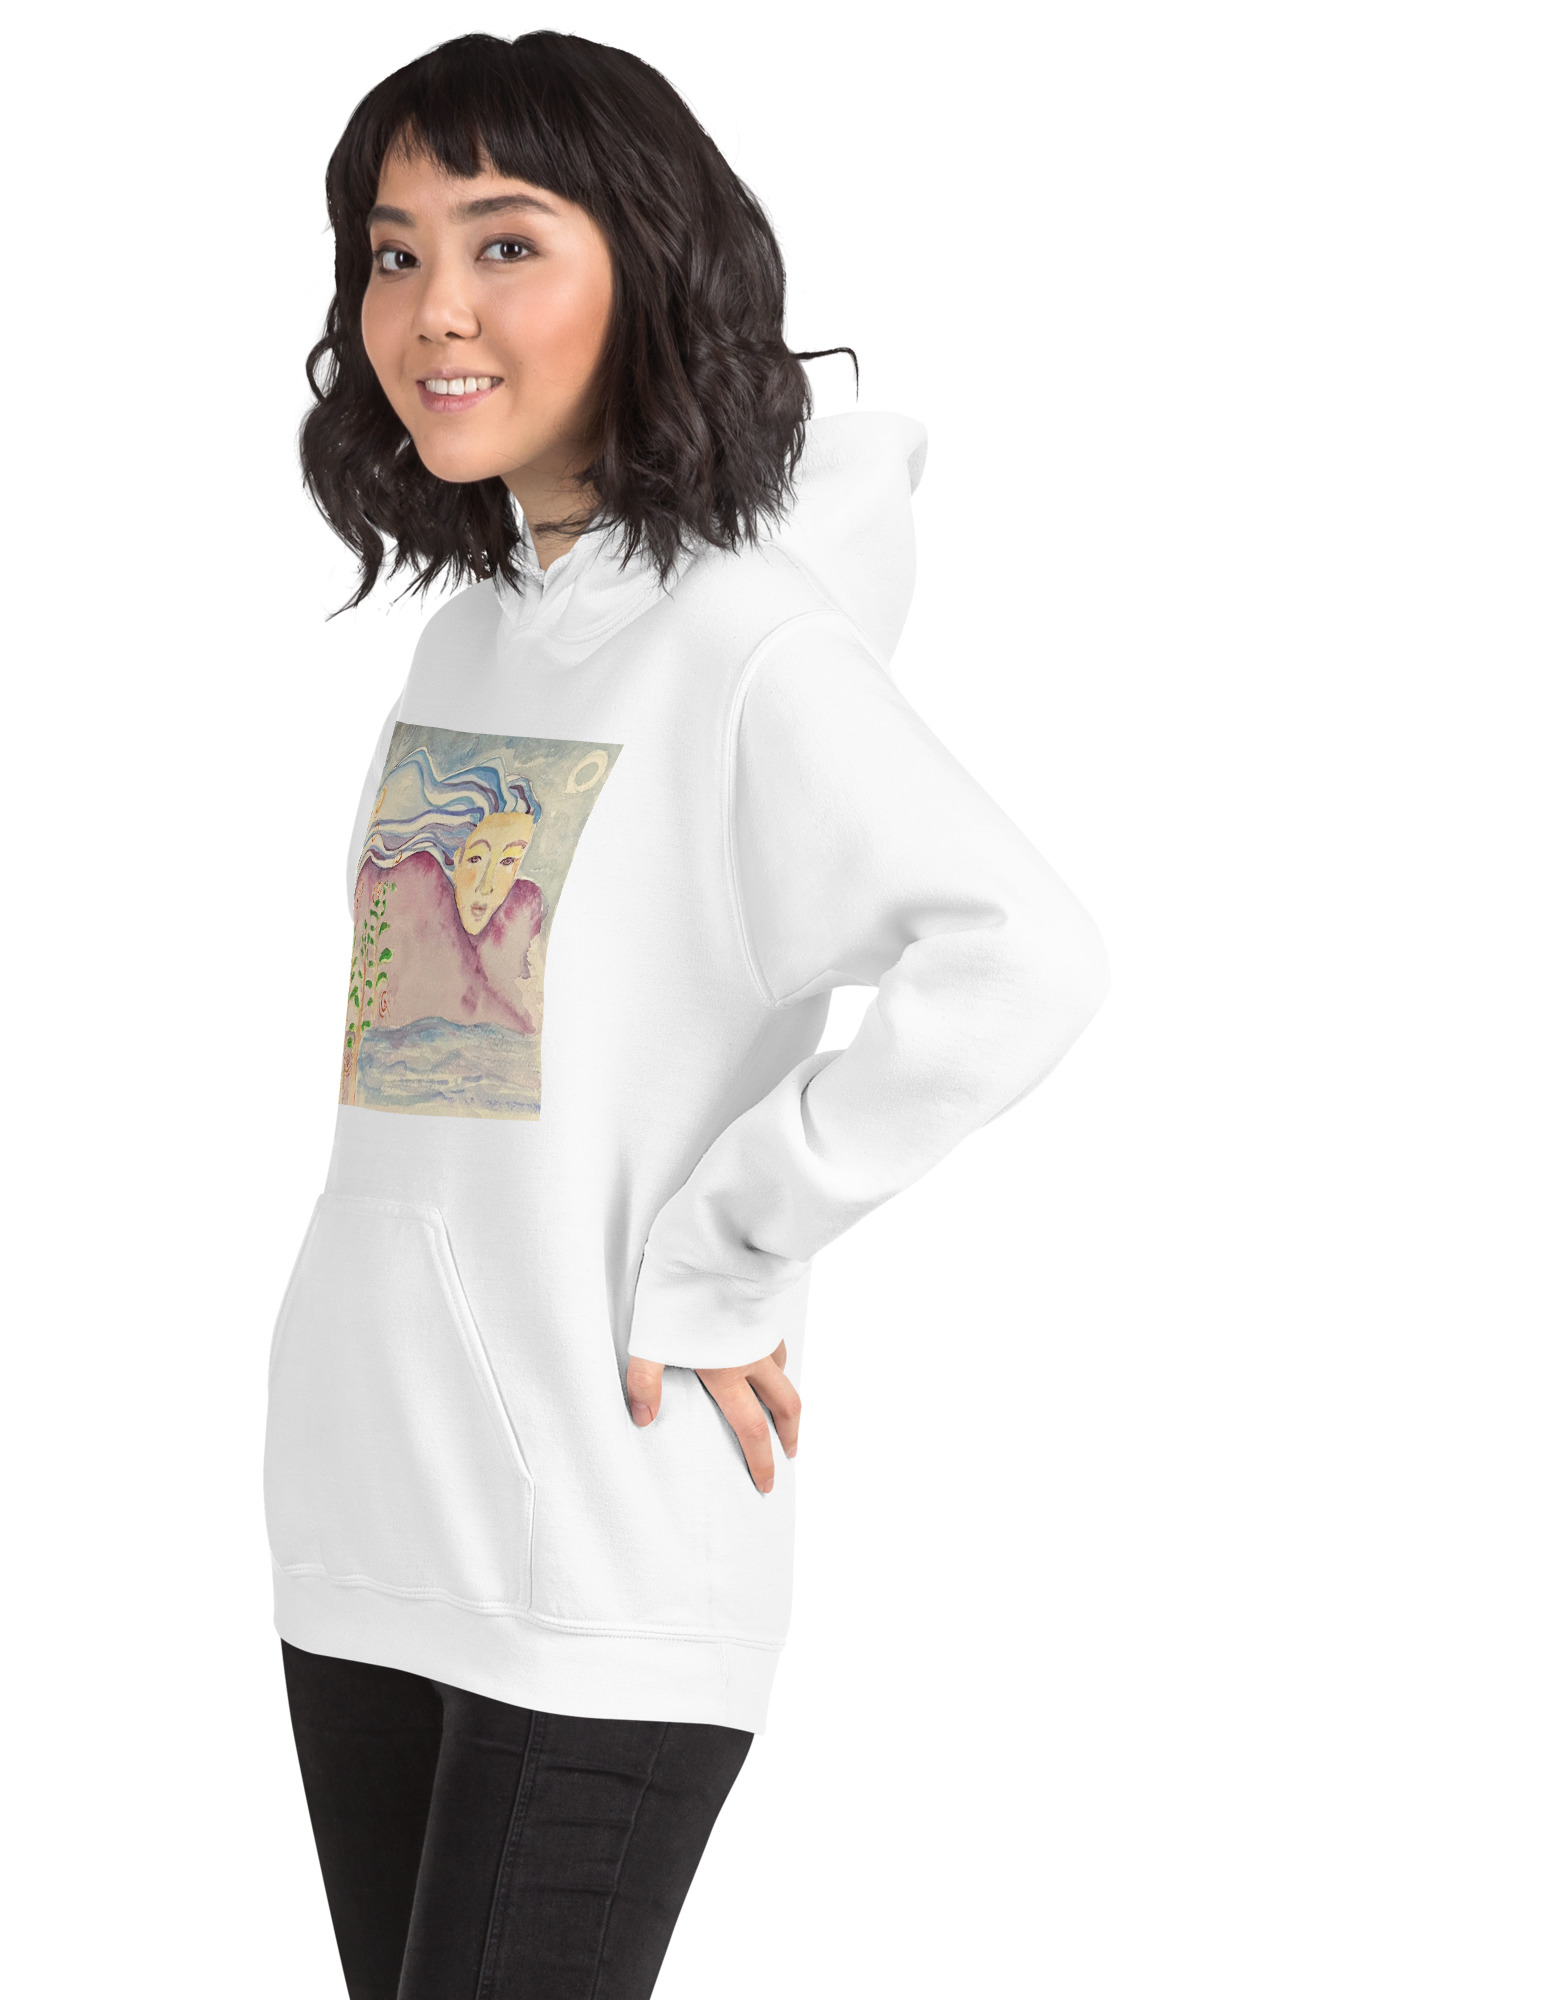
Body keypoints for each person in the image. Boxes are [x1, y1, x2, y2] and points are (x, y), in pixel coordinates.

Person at [268, 30, 1110, 1998]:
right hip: (363, 1501)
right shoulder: (473, 637)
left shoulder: (746, 643)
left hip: (602, 1531)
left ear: (650, 266)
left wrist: (733, 1247)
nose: (433, 309)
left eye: (504, 244)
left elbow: (1021, 951)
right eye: (392, 253)